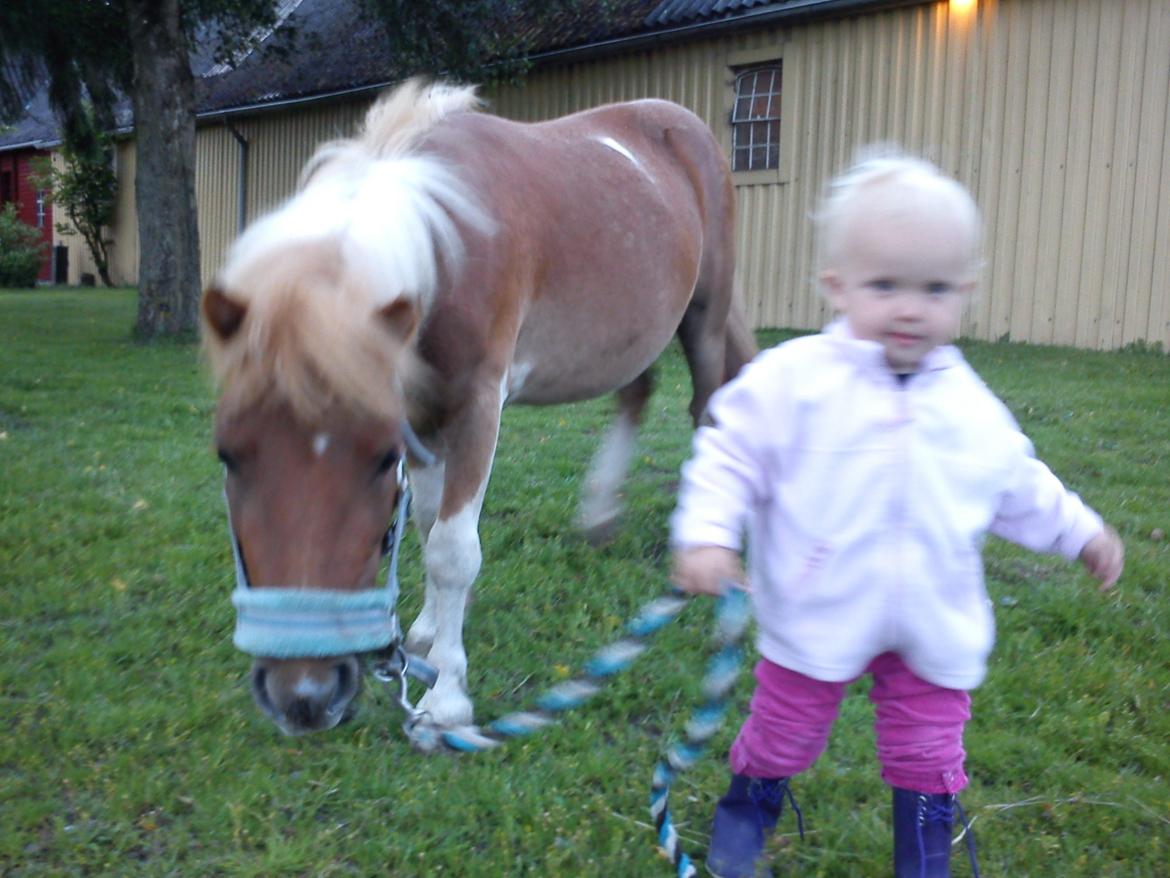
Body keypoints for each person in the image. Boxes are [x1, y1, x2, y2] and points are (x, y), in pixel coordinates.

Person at [669, 149, 1124, 878]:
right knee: (782, 735)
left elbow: (1016, 481)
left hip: (931, 622)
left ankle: (924, 858)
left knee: (928, 754)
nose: (911, 307)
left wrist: (1081, 532)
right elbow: (730, 450)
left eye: (935, 288)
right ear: (838, 286)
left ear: (964, 293)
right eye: (885, 285)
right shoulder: (794, 381)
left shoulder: (969, 405)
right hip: (816, 608)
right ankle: (741, 832)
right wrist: (707, 535)